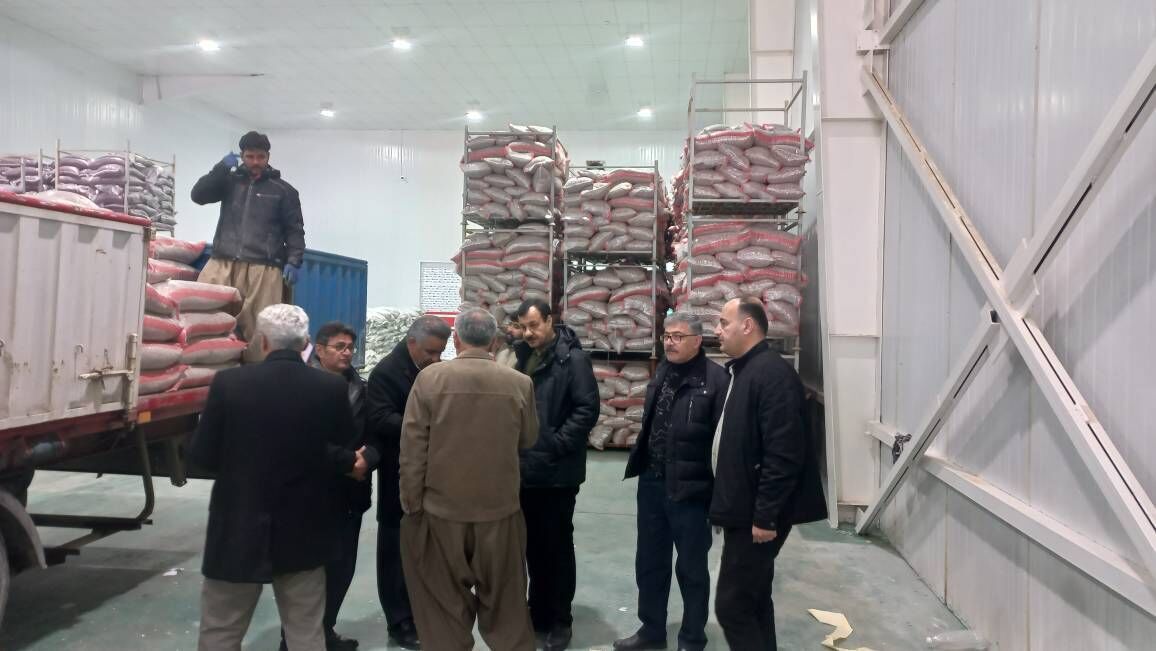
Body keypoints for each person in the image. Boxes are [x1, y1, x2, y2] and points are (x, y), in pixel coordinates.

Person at [189, 304, 370, 651]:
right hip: (305, 528)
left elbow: (202, 457)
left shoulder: (229, 384)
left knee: (221, 630)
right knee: (305, 631)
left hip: (238, 527)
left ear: (263, 340)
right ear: (305, 342)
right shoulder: (329, 388)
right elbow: (340, 449)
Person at [398, 308, 539, 651]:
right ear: (494, 341)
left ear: (456, 338)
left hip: (441, 511)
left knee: (442, 606)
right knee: (506, 604)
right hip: (500, 511)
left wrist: (412, 505)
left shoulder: (429, 380)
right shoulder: (519, 383)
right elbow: (528, 438)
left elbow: (413, 450)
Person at [710, 297, 827, 649]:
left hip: (756, 516)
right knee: (755, 597)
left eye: (723, 323)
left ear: (747, 326)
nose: (717, 330)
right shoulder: (746, 371)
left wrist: (765, 515)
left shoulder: (771, 375)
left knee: (732, 605)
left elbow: (784, 454)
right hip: (744, 508)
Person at [615, 313, 729, 651]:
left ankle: (692, 638)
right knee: (650, 563)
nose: (670, 342)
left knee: (692, 569)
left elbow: (723, 445)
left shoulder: (716, 381)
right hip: (652, 483)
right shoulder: (662, 371)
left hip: (692, 491)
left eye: (678, 336)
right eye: (667, 336)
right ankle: (651, 630)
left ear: (698, 341)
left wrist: (718, 496)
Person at [277, 321, 376, 651]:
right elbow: (298, 442)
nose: (347, 353)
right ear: (319, 350)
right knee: (306, 573)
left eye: (350, 347)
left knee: (341, 568)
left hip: (350, 495)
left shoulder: (361, 389)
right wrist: (347, 462)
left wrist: (366, 460)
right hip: (310, 495)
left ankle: (325, 628)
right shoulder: (299, 389)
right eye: (339, 347)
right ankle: (293, 639)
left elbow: (375, 437)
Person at [513, 298, 599, 651]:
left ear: (550, 321)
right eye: (523, 326)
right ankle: (538, 613)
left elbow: (587, 409)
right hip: (525, 471)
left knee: (557, 547)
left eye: (534, 325)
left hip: (557, 473)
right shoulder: (521, 356)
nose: (528, 333)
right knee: (532, 546)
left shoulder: (572, 360)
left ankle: (560, 620)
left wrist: (554, 444)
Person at [366, 315, 452, 650]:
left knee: (422, 549)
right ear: (411, 342)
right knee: (394, 551)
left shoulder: (429, 370)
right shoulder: (387, 373)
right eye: (430, 351)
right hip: (397, 473)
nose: (435, 358)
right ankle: (399, 620)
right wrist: (424, 425)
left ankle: (419, 611)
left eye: (440, 352)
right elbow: (380, 419)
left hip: (429, 472)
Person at [192, 130, 305, 363]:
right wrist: (220, 169)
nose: (255, 162)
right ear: (241, 156)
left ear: (268, 157)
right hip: (223, 261)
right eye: (250, 156)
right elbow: (198, 195)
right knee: (206, 317)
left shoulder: (284, 190)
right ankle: (215, 373)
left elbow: (295, 230)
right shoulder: (228, 182)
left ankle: (258, 375)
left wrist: (294, 261)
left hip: (264, 268)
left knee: (262, 329)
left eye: (260, 157)